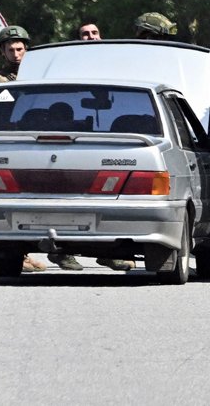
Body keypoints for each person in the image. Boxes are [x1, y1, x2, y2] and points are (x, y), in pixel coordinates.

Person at [43, 21, 134, 273]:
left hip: (109, 139)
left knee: (109, 198)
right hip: (73, 138)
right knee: (69, 196)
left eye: (94, 33)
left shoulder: (113, 66)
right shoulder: (67, 66)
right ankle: (63, 252)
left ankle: (108, 253)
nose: (90, 37)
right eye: (84, 34)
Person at [0, 26, 47, 272]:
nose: (16, 54)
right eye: (10, 49)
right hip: (12, 140)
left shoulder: (38, 73)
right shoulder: (0, 81)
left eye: (20, 49)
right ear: (2, 52)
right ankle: (18, 255)